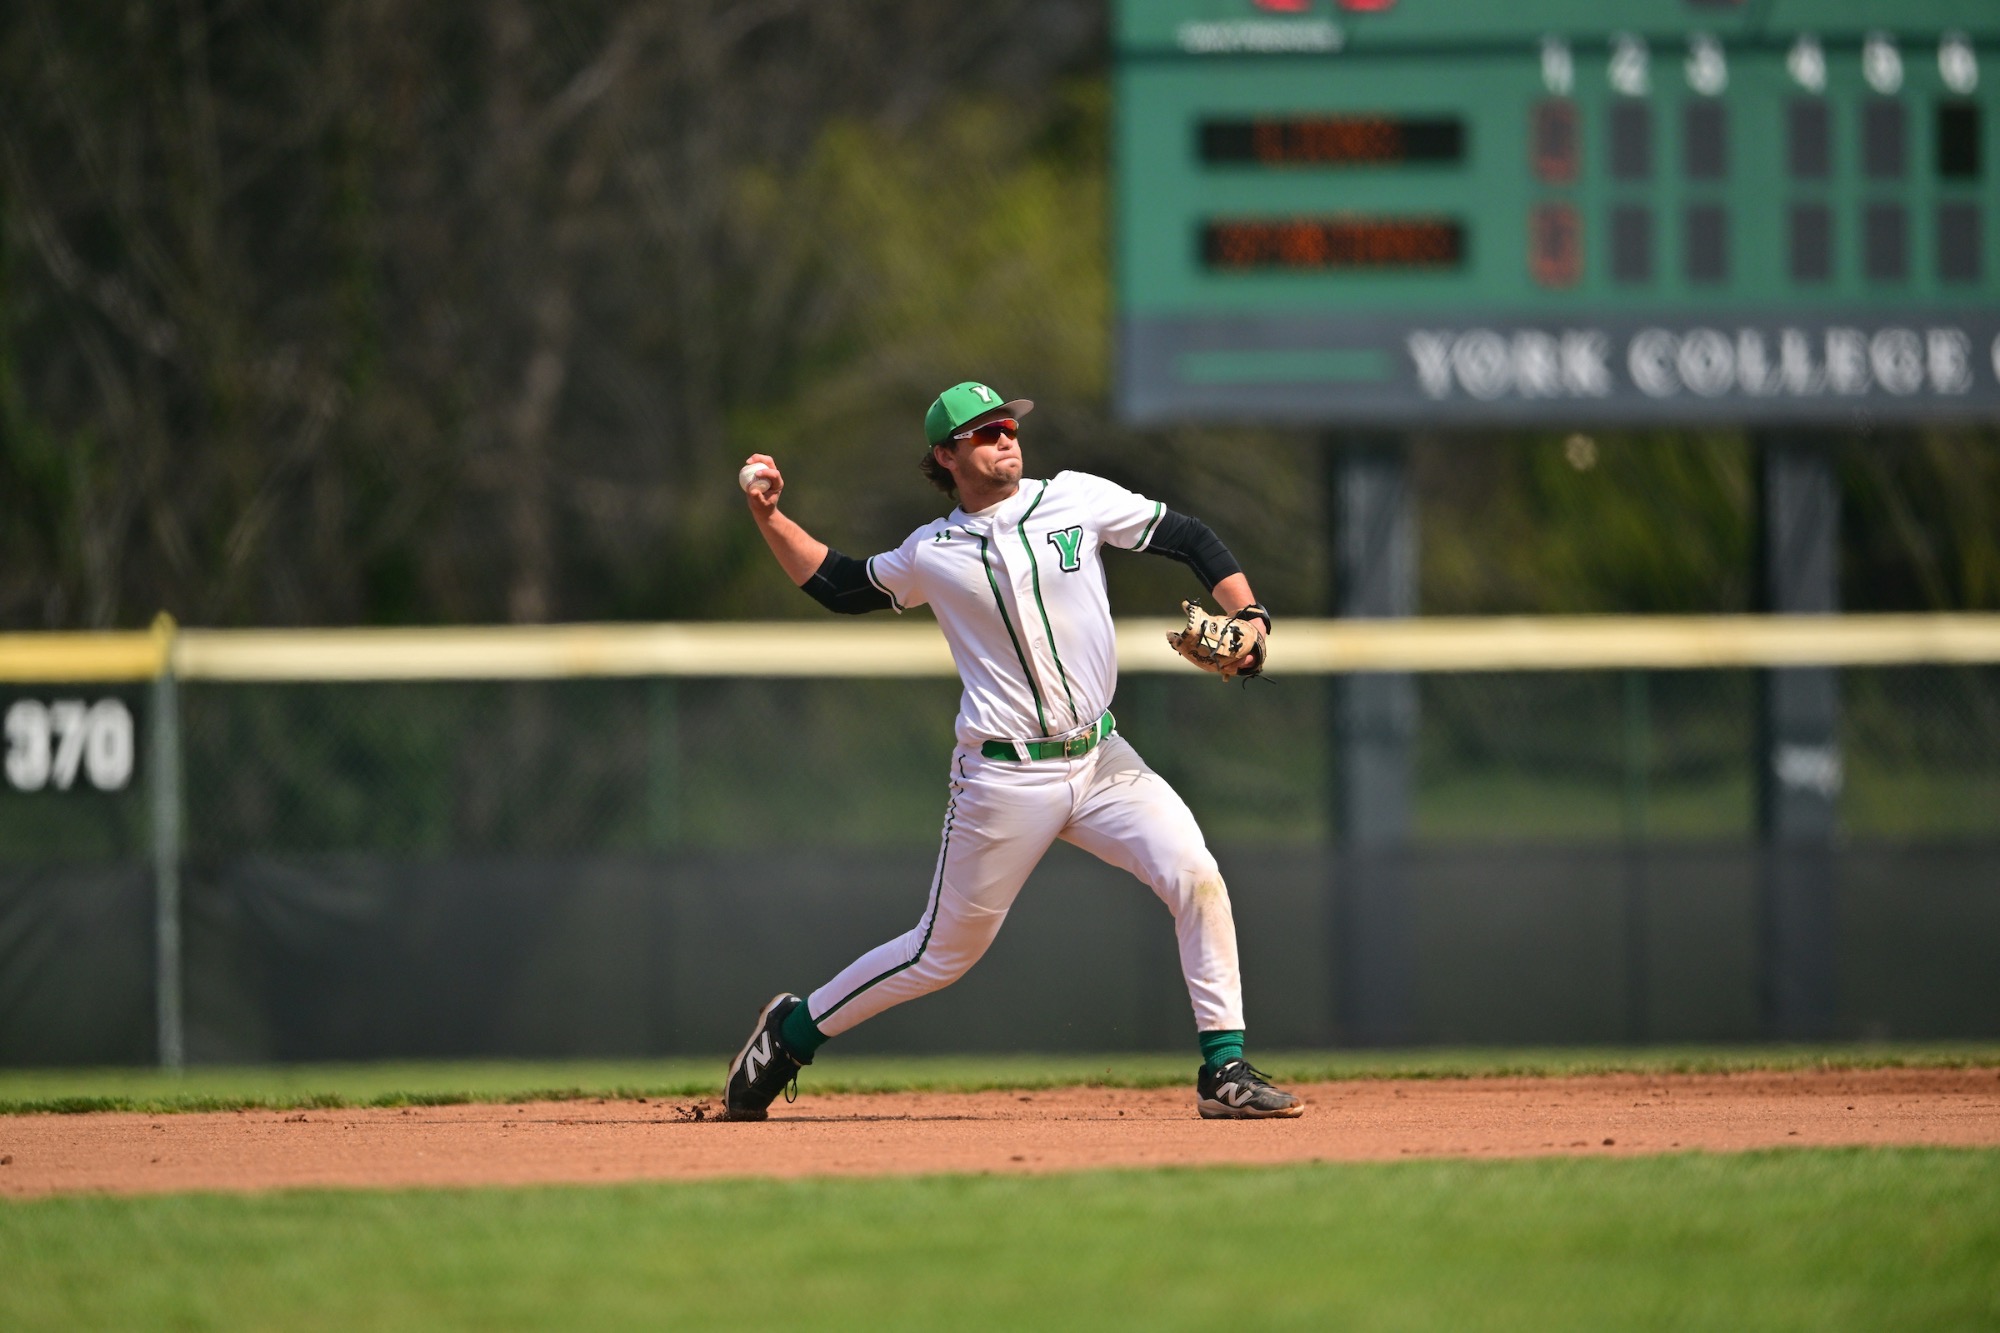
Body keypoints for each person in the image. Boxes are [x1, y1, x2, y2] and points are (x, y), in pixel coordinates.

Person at [723, 381, 1302, 1121]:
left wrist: (1249, 615)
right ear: (946, 455)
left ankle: (1224, 1069)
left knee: (1196, 875)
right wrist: (770, 517)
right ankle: (791, 1033)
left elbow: (1188, 536)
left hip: (1102, 759)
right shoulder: (931, 551)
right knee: (941, 954)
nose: (1005, 437)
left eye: (1009, 426)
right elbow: (839, 584)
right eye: (985, 431)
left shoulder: (1076, 498)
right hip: (1004, 778)